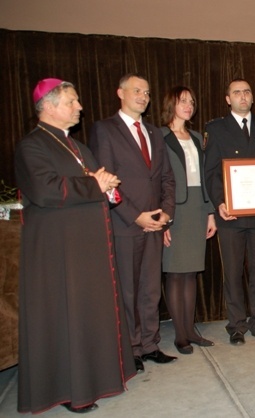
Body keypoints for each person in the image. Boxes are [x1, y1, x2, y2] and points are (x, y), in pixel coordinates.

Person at [15, 78, 135, 413]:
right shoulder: (32, 146)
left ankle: (98, 378)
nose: (79, 107)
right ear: (49, 106)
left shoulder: (78, 147)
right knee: (66, 317)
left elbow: (98, 183)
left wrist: (108, 188)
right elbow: (46, 190)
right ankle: (70, 390)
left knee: (87, 315)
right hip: (59, 252)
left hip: (87, 247)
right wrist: (96, 184)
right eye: (72, 101)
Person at [89, 73, 177, 372]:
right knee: (128, 289)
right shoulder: (105, 130)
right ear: (120, 92)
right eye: (137, 90)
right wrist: (134, 215)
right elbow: (105, 180)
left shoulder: (154, 133)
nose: (143, 96)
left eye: (147, 92)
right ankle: (131, 349)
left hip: (154, 222)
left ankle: (151, 344)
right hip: (125, 223)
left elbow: (166, 177)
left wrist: (165, 213)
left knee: (150, 289)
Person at [204, 78, 255, 345]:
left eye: (247, 91)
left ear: (252, 96)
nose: (243, 96)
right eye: (236, 92)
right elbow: (211, 171)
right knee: (233, 272)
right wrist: (218, 203)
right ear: (228, 99)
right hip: (230, 214)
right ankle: (236, 325)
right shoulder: (216, 129)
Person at [160, 86, 217, 354]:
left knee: (191, 272)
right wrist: (163, 220)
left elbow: (204, 178)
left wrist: (210, 212)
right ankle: (179, 334)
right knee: (174, 273)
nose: (188, 105)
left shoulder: (196, 137)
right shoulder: (159, 136)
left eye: (191, 102)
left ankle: (191, 329)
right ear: (171, 103)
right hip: (174, 210)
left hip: (197, 208)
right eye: (183, 101)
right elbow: (157, 180)